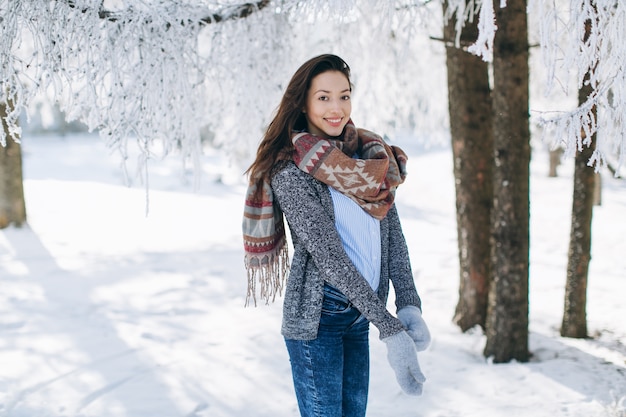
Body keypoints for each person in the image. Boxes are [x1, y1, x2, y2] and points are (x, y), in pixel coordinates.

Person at [243, 54, 430, 417]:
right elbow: (329, 257)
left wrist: (409, 302)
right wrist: (389, 327)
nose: (336, 108)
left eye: (344, 96)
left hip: (360, 315)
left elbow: (393, 236)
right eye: (324, 97)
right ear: (304, 103)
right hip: (320, 317)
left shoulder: (370, 159)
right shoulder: (291, 169)